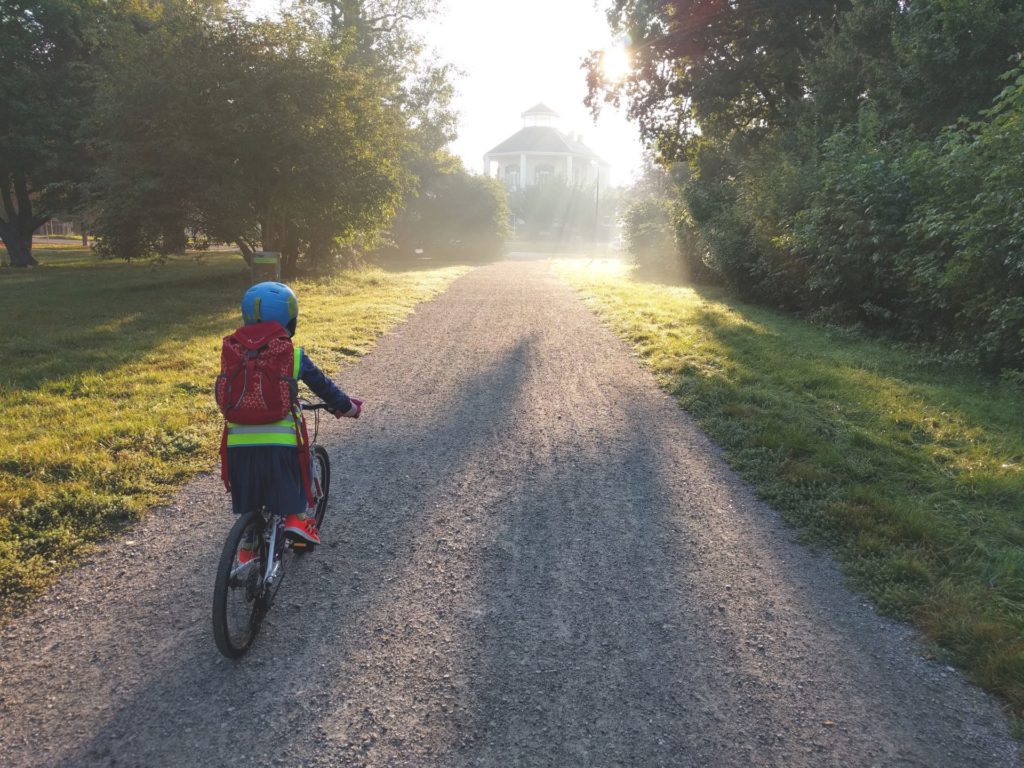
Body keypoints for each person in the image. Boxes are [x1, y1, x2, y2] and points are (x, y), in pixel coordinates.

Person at [225, 281, 361, 555]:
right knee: (300, 462)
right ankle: (297, 518)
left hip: (236, 447)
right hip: (281, 447)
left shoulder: (232, 353)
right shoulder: (293, 356)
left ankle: (248, 545)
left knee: (251, 493)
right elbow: (325, 388)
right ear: (290, 318)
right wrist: (347, 407)